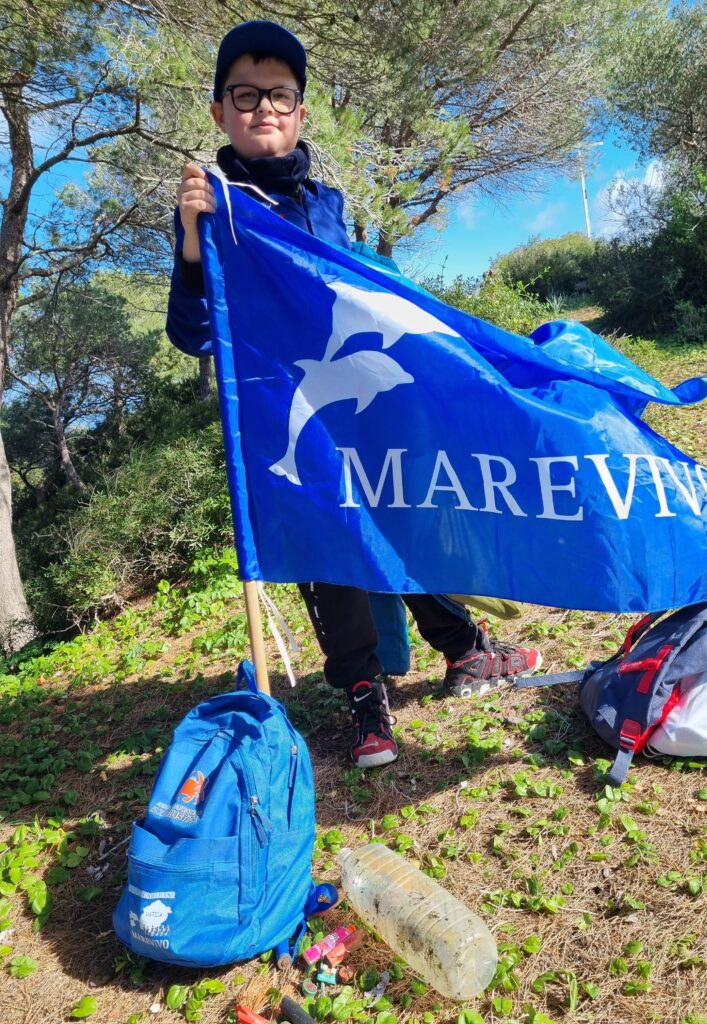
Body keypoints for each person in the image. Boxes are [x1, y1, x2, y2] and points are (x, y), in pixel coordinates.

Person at [167, 19, 543, 769]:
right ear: (219, 112)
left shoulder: (327, 204)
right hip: (288, 416)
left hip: (366, 405)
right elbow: (193, 334)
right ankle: (364, 697)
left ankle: (465, 649)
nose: (264, 108)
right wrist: (187, 241)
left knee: (403, 521)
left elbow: (363, 293)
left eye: (280, 95)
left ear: (300, 111)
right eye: (245, 95)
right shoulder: (209, 210)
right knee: (326, 549)